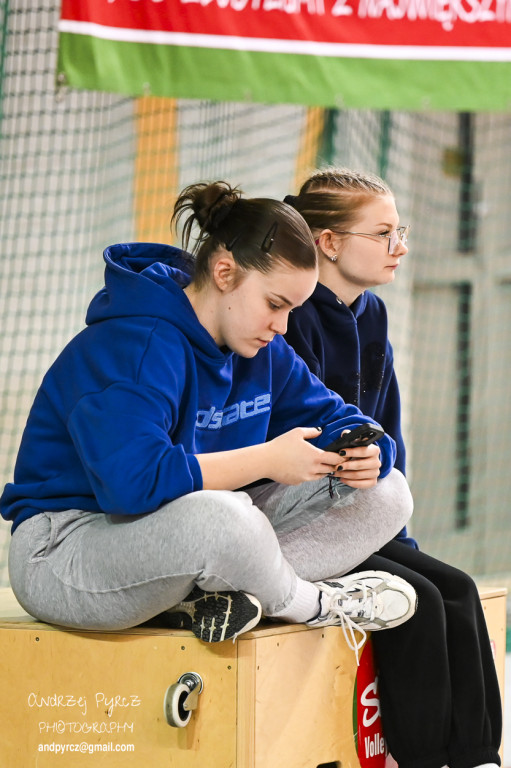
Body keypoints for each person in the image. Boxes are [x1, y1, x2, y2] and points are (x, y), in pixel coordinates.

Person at [1, 180, 417, 652]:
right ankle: (315, 604)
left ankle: (227, 595)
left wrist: (367, 450)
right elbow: (131, 487)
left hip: (182, 537)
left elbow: (337, 416)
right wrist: (265, 461)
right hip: (65, 549)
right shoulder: (137, 343)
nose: (282, 327)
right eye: (275, 305)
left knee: (388, 492)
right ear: (224, 272)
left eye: (292, 310)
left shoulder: (264, 349)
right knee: (224, 516)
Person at [283, 168, 502, 768]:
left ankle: (480, 756)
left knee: (456, 588)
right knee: (415, 599)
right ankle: (423, 757)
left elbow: (388, 432)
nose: (399, 247)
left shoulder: (372, 314)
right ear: (328, 242)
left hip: (362, 516)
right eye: (382, 234)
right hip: (297, 522)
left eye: (398, 230)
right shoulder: (291, 318)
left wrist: (396, 534)